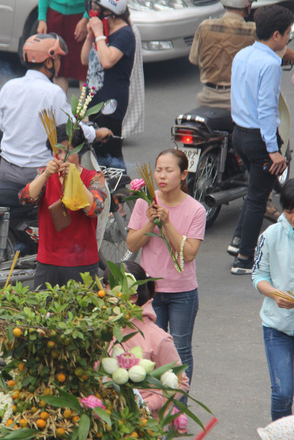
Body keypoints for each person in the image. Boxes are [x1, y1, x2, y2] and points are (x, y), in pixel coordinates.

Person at [127, 149, 206, 392]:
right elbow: (132, 244)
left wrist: (168, 222)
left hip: (183, 292)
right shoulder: (144, 202)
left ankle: (178, 410)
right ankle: (152, 407)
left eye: (169, 170)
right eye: (158, 169)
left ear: (183, 174)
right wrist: (151, 220)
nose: (162, 175)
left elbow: (189, 253)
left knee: (180, 351)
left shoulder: (196, 210)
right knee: (148, 350)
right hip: (150, 291)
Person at [228, 5, 294, 275]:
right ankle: (243, 259)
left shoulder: (243, 54)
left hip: (239, 134)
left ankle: (237, 242)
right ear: (276, 35)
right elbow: (267, 109)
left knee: (253, 190)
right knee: (258, 196)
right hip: (259, 139)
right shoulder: (270, 63)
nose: (289, 38)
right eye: (288, 33)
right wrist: (273, 150)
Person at [0, 33, 111, 187]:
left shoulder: (8, 86)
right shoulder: (52, 92)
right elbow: (71, 129)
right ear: (49, 62)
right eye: (58, 59)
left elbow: (3, 125)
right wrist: (96, 134)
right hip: (39, 173)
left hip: (6, 169)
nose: (59, 63)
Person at [20, 124, 106, 289]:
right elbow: (25, 198)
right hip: (48, 262)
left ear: (79, 151)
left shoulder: (94, 178)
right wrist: (45, 174)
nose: (61, 157)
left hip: (82, 263)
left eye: (67, 151)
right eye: (57, 152)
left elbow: (95, 208)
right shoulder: (45, 176)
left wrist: (75, 179)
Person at [102, 261, 190, 416]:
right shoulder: (100, 329)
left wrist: (147, 405)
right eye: (104, 285)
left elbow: (181, 382)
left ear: (133, 297)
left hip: (143, 425)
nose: (104, 292)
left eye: (109, 287)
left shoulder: (157, 338)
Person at [189, 0, 294, 109]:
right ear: (248, 6)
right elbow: (279, 48)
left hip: (206, 97)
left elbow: (194, 59)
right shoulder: (252, 30)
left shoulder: (204, 26)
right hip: (238, 100)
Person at [253, 178, 294, 421]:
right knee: (282, 393)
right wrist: (275, 294)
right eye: (289, 211)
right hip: (276, 323)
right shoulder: (270, 235)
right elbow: (259, 275)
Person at [80, 0, 135, 170]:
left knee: (110, 153)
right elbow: (84, 60)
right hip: (93, 98)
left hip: (111, 102)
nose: (94, 12)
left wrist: (99, 35)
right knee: (95, 152)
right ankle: (103, 192)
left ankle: (122, 190)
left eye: (98, 8)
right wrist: (91, 36)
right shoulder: (103, 31)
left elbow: (107, 61)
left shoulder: (124, 34)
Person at [36, 0, 89, 93]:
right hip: (55, 16)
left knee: (84, 71)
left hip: (80, 17)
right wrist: (42, 19)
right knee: (58, 69)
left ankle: (84, 107)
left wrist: (86, 18)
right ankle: (60, 105)